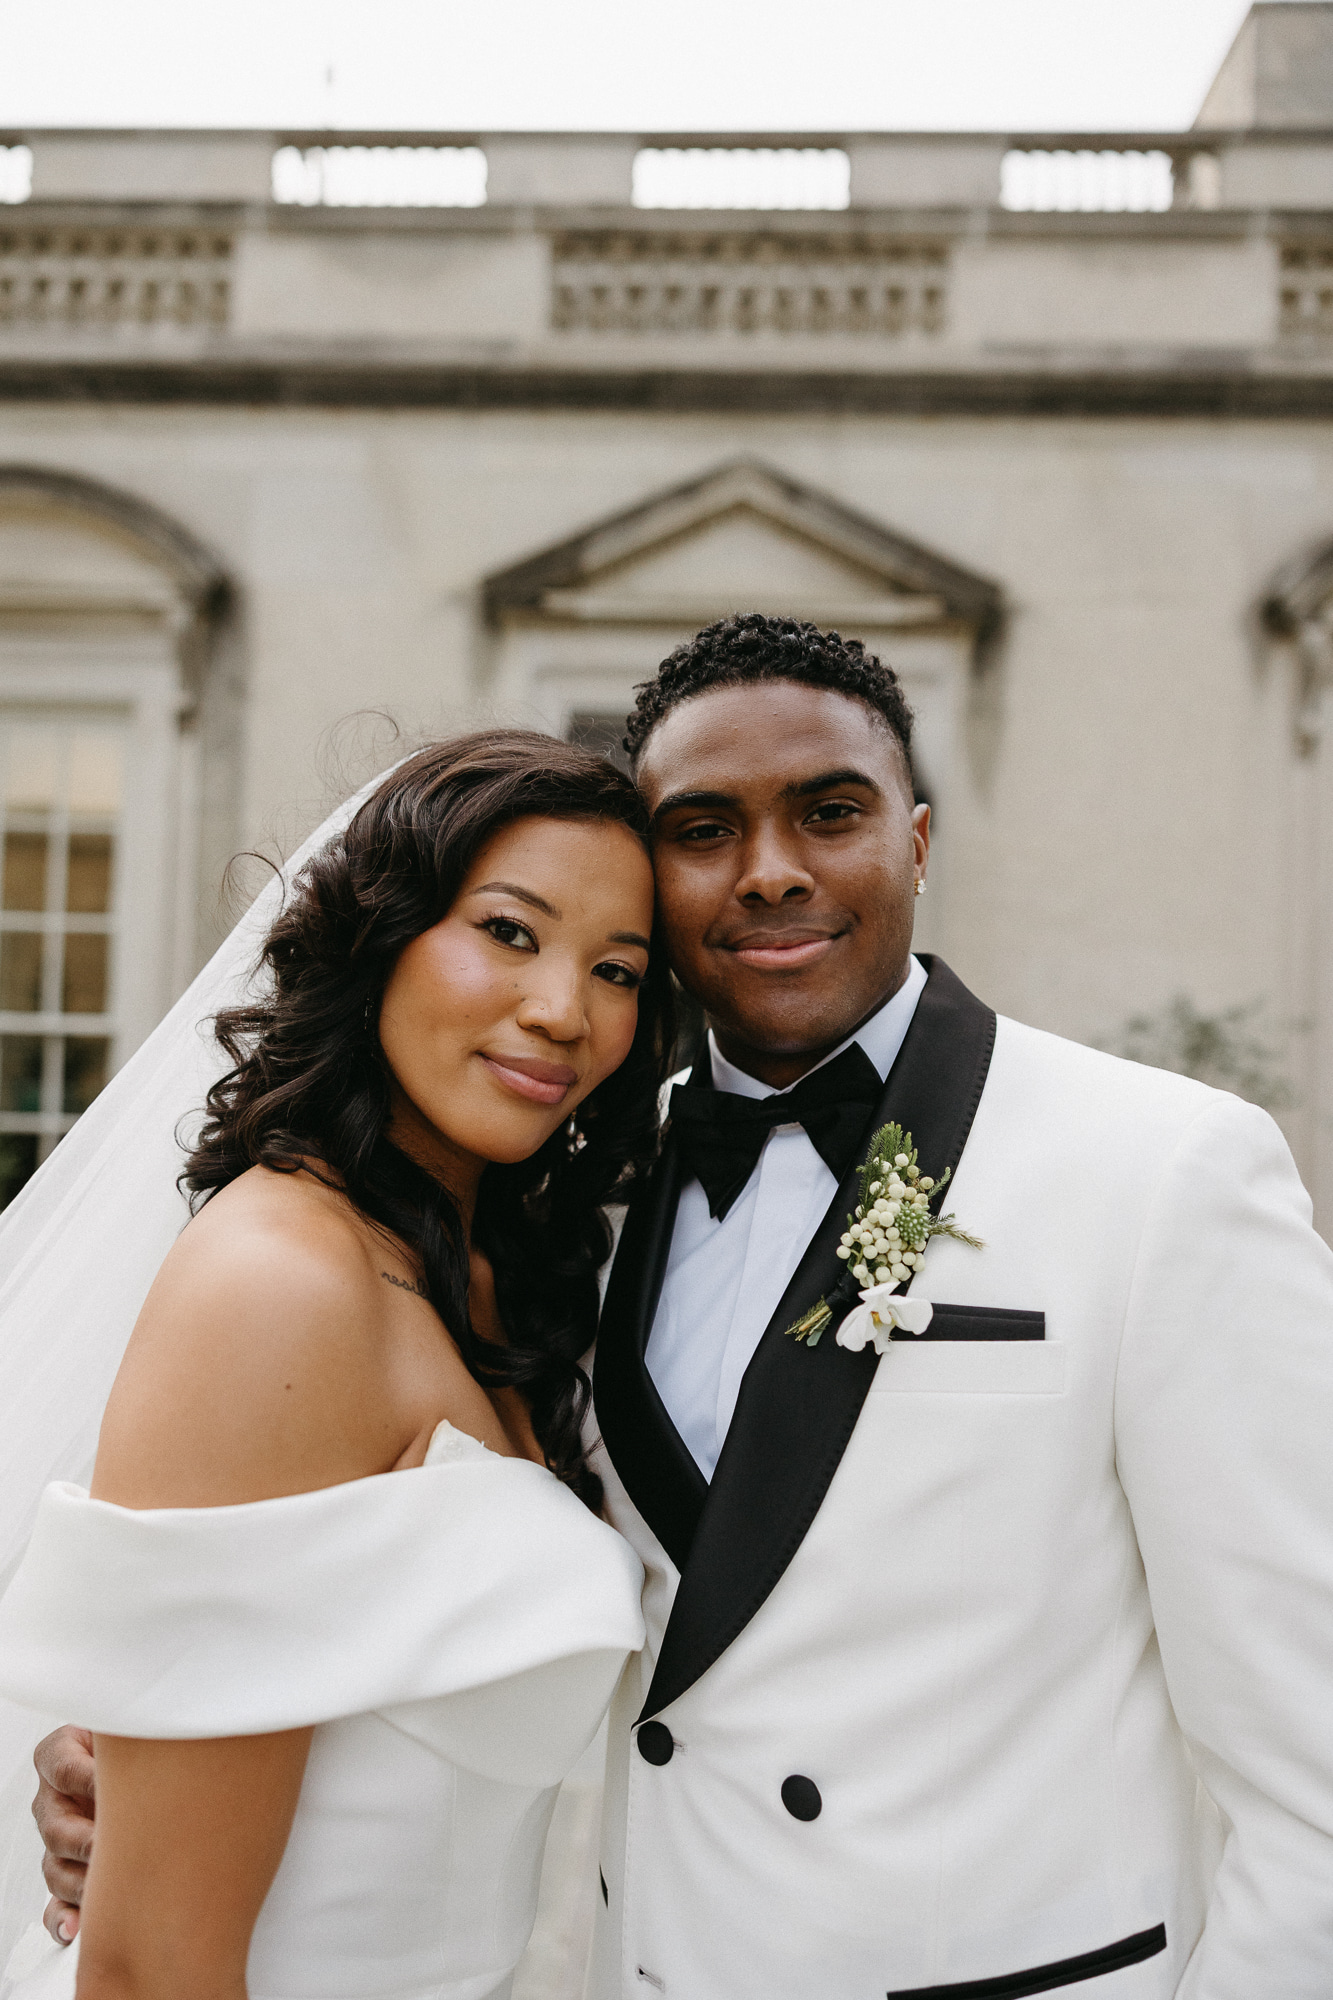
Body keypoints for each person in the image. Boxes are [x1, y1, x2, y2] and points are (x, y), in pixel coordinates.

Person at [28, 613, 1333, 1997]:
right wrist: (162, 1749)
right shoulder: (573, 1201)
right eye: (703, 830)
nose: (769, 870)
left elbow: (1311, 1779)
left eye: (830, 812)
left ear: (917, 840)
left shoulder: (1163, 1170)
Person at [0, 731, 676, 2000]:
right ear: (381, 936)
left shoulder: (495, 1281)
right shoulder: (283, 1285)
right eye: (509, 931)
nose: (562, 1010)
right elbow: (150, 1964)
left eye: (617, 969)